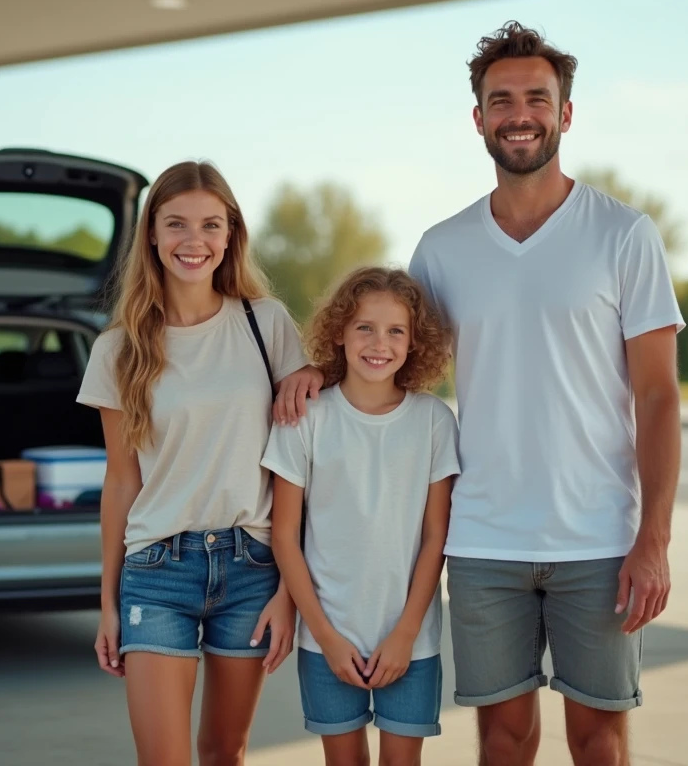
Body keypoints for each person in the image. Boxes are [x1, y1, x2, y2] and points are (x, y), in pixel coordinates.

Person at [408, 22, 685, 766]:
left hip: (599, 541)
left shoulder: (624, 235)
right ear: (479, 119)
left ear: (565, 113)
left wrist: (653, 540)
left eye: (537, 97)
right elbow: (394, 370)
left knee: (598, 743)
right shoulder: (442, 248)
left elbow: (658, 396)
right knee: (503, 742)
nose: (519, 114)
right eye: (501, 100)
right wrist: (316, 375)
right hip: (482, 540)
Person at [77, 160, 324, 766]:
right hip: (156, 569)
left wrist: (289, 591)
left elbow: (299, 465)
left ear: (231, 233)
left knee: (224, 753)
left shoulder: (266, 324)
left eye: (211, 224)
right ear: (152, 235)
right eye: (177, 224)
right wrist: (107, 603)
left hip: (252, 566)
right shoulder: (117, 349)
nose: (195, 240)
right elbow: (121, 480)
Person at [263, 266, 460, 766]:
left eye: (396, 331)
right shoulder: (305, 418)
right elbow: (284, 536)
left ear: (414, 342)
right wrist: (325, 637)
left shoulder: (434, 421)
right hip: (326, 636)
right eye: (365, 327)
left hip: (410, 641)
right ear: (339, 333)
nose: (379, 343)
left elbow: (436, 536)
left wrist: (406, 634)